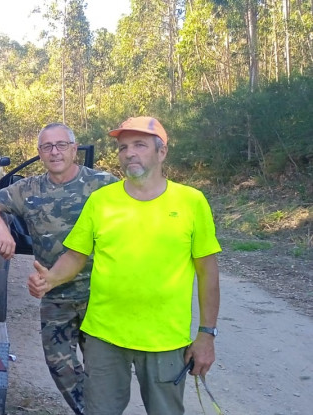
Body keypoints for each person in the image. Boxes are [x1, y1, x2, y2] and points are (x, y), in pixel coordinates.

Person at [28, 117, 221, 414]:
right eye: (123, 147)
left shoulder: (191, 202)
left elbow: (208, 272)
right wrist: (51, 279)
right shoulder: (101, 201)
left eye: (140, 145)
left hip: (165, 340)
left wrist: (206, 334)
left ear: (162, 152)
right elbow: (77, 255)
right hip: (104, 337)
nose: (129, 153)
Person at [0, 123, 117, 414]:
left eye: (61, 145)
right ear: (39, 153)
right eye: (47, 147)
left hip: (101, 295)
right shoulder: (28, 189)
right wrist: (2, 231)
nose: (55, 152)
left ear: (75, 148)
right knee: (60, 366)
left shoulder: (104, 184)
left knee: (102, 371)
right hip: (54, 294)